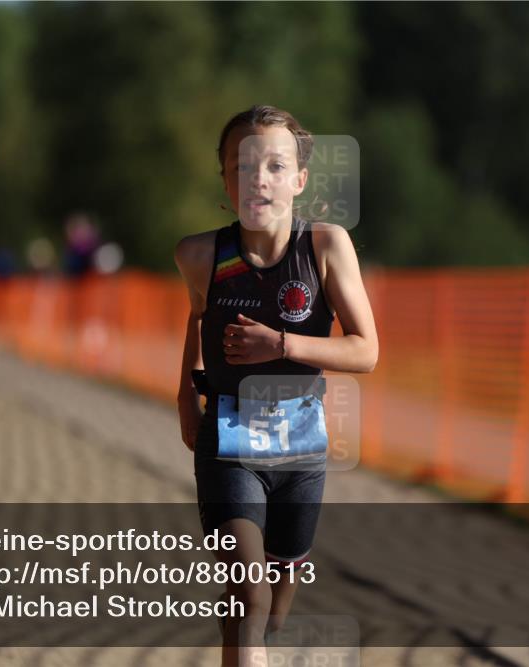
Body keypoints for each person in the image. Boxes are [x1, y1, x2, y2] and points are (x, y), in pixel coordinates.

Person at [173, 105, 378, 667]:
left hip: (302, 448)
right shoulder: (199, 255)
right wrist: (185, 391)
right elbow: (197, 316)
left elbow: (367, 350)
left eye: (274, 165)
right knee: (249, 592)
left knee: (277, 601)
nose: (257, 179)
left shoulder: (326, 247)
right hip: (229, 440)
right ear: (224, 178)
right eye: (242, 166)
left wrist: (282, 345)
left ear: (298, 180)